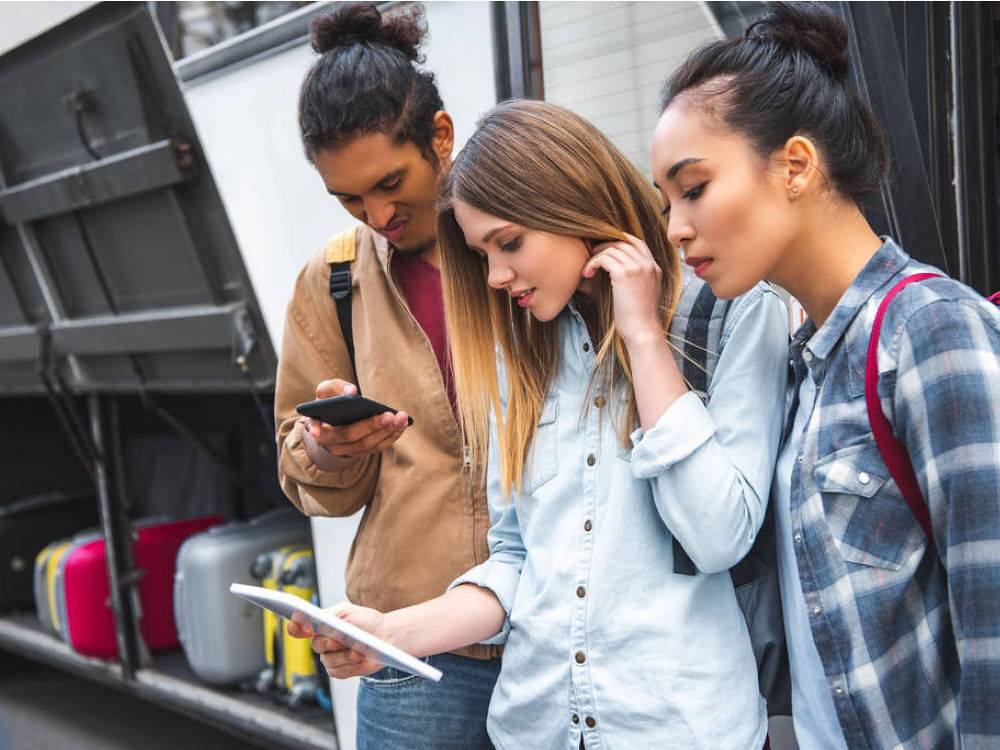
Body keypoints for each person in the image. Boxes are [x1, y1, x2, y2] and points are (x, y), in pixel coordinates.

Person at [293, 100, 790, 749]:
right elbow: (517, 560)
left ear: (574, 204)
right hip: (535, 729)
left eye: (510, 243)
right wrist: (391, 634)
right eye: (481, 254)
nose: (496, 277)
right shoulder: (521, 351)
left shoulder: (737, 316)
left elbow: (719, 536)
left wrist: (641, 336)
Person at [652, 3, 1000, 749]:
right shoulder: (805, 362)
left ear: (797, 166)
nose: (676, 226)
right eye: (666, 201)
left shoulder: (928, 331)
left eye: (694, 187)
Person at [273, 4, 501, 748]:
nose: (376, 213)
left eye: (389, 182)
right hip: (406, 643)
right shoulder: (331, 280)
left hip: (556, 630)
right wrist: (328, 449)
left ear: (441, 137)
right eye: (347, 198)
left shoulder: (526, 244)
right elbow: (299, 466)